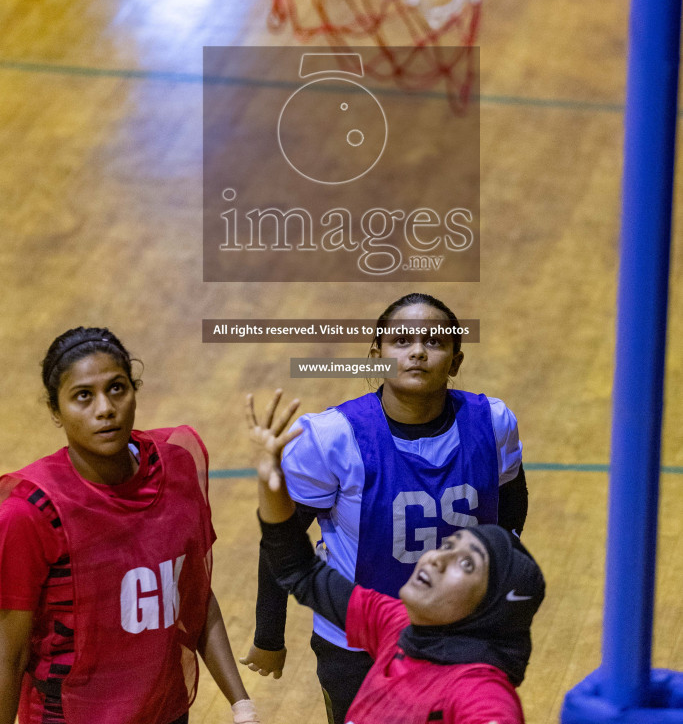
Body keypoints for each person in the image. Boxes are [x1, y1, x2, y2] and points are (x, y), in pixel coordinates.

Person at [241, 293, 529, 724]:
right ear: (376, 356)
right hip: (357, 640)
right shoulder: (331, 438)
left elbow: (510, 510)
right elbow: (283, 542)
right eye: (401, 341)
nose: (417, 351)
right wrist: (269, 634)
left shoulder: (492, 421)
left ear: (455, 360)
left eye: (434, 341)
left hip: (460, 637)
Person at [0, 327, 259, 724]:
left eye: (117, 388)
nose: (105, 408)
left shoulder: (176, 469)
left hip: (165, 712)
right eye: (83, 396)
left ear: (135, 390)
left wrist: (242, 705)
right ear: (56, 411)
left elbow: (195, 595)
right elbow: (9, 652)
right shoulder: (30, 511)